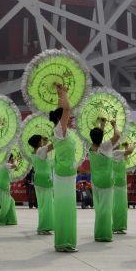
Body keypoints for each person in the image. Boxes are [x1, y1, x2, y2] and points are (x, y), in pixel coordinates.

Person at [51, 84, 77, 252]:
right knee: (65, 208)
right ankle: (65, 242)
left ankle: (63, 241)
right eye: (66, 118)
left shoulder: (61, 131)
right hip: (63, 176)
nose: (70, 118)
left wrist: (59, 94)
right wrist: (65, 93)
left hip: (66, 174)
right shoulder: (59, 131)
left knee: (66, 207)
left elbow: (63, 109)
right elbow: (66, 110)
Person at [89, 118, 121, 242]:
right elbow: (117, 135)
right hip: (107, 182)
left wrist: (102, 125)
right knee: (106, 208)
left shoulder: (91, 148)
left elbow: (98, 137)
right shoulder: (106, 146)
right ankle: (105, 234)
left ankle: (98, 233)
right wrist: (114, 124)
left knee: (98, 208)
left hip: (96, 182)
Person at [28, 134, 54, 235]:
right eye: (41, 140)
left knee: (43, 205)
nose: (43, 141)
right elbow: (54, 144)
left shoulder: (34, 152)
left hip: (38, 181)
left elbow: (45, 150)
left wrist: (45, 142)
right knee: (47, 205)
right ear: (39, 142)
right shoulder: (40, 150)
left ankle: (43, 226)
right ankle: (43, 227)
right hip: (44, 181)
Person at [112, 141, 135, 234]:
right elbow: (129, 151)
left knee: (119, 206)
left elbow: (126, 155)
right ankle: (116, 226)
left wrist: (126, 147)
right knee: (118, 206)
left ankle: (118, 226)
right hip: (118, 183)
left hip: (119, 183)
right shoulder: (114, 152)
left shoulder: (116, 153)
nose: (118, 143)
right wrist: (132, 144)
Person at [0, 154, 18, 226]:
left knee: (11, 202)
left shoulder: (4, 165)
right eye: (12, 158)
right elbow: (15, 166)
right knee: (5, 206)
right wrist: (16, 161)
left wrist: (15, 162)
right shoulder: (5, 164)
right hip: (2, 186)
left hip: (2, 186)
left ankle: (10, 220)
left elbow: (16, 168)